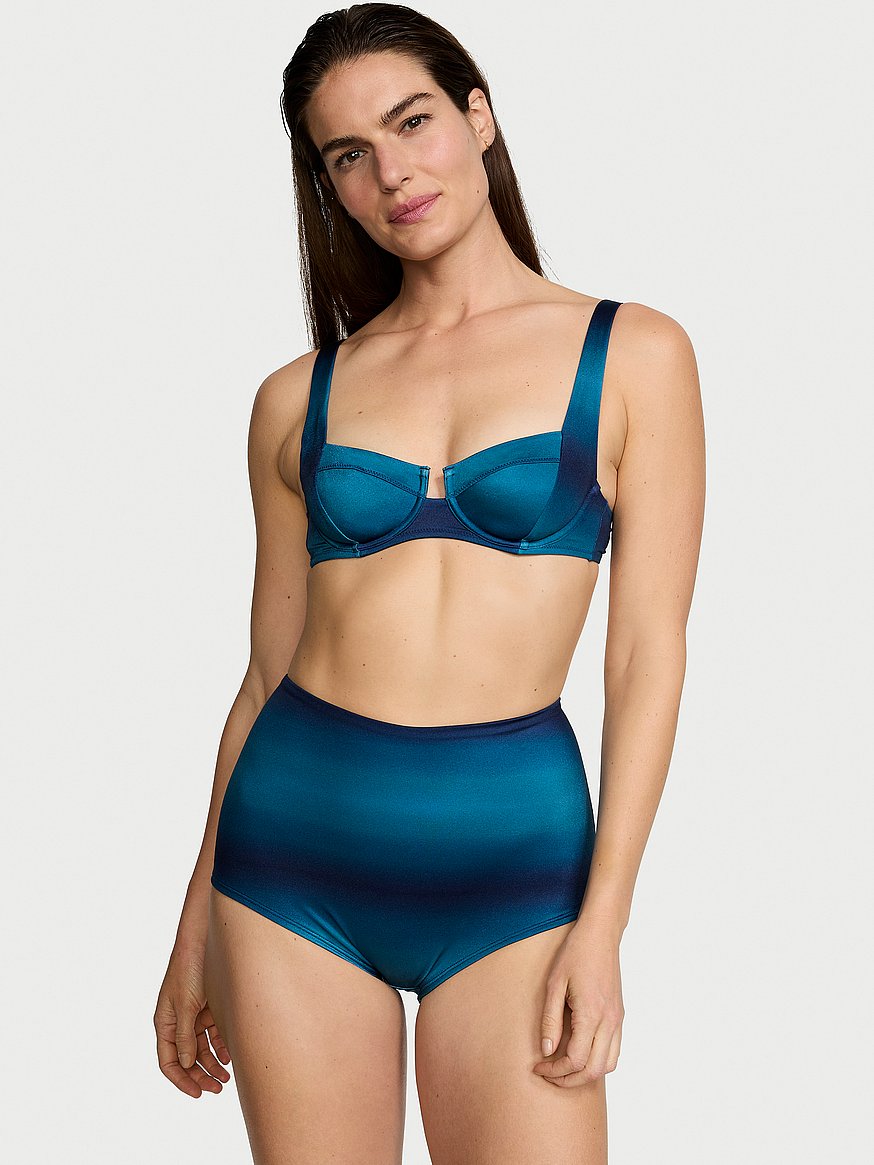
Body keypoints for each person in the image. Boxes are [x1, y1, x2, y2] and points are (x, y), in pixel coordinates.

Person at [153, 4, 705, 1162]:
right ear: (328, 187)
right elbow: (263, 674)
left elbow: (645, 657)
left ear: (478, 116)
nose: (392, 173)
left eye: (412, 122)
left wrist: (604, 925)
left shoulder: (634, 354)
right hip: (290, 860)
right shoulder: (296, 398)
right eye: (348, 154)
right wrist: (193, 923)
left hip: (516, 865)